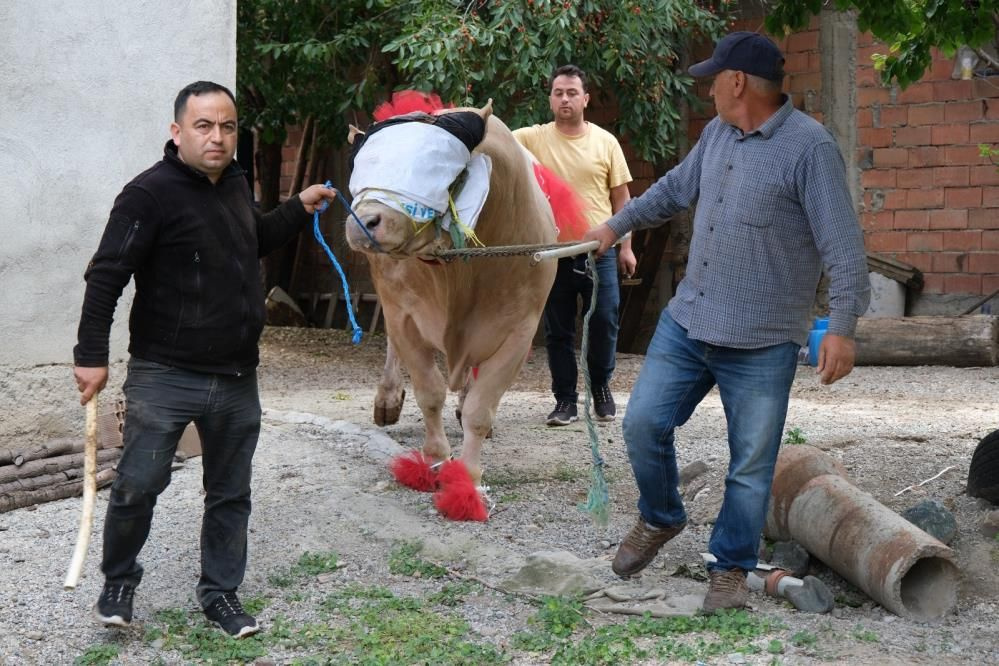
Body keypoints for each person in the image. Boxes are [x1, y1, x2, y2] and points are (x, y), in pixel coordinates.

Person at [583, 33, 870, 612]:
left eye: (714, 78)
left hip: (764, 339)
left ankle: (730, 570)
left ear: (737, 82)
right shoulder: (718, 134)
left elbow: (843, 245)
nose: (708, 87)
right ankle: (661, 516)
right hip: (691, 320)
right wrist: (616, 226)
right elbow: (671, 190)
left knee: (751, 463)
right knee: (642, 422)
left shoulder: (809, 149)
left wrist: (842, 325)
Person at [72, 81, 336, 638]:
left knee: (230, 493)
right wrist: (90, 355)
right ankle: (119, 581)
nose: (218, 138)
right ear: (177, 132)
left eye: (227, 126)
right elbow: (106, 276)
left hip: (238, 376)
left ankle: (220, 594)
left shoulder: (235, 183)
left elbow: (253, 238)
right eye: (204, 126)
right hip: (164, 374)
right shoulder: (148, 195)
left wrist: (296, 207)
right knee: (138, 484)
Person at [513, 64, 635, 427]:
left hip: (600, 251)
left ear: (585, 99)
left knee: (604, 320)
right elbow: (494, 138)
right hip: (553, 254)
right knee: (558, 330)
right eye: (558, 93)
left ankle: (600, 389)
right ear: (550, 99)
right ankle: (564, 400)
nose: (565, 99)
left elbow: (623, 201)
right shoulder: (531, 139)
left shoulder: (605, 142)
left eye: (571, 93)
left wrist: (626, 247)